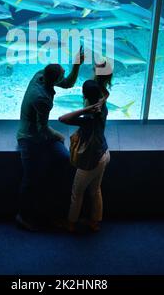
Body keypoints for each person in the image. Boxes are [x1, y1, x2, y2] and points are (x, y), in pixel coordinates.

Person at [16, 48, 84, 231]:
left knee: (63, 160)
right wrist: (60, 135)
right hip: (29, 138)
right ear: (55, 79)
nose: (64, 73)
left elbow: (68, 83)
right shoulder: (42, 99)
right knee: (30, 179)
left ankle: (50, 210)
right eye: (62, 72)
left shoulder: (40, 74)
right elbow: (43, 129)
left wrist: (76, 66)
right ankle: (23, 217)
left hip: (37, 134)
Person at [59, 79, 110, 233]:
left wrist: (85, 110)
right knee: (95, 190)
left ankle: (71, 223)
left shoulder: (89, 117)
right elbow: (106, 93)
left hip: (91, 160)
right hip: (104, 153)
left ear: (84, 95)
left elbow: (63, 119)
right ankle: (95, 222)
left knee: (77, 192)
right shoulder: (103, 106)